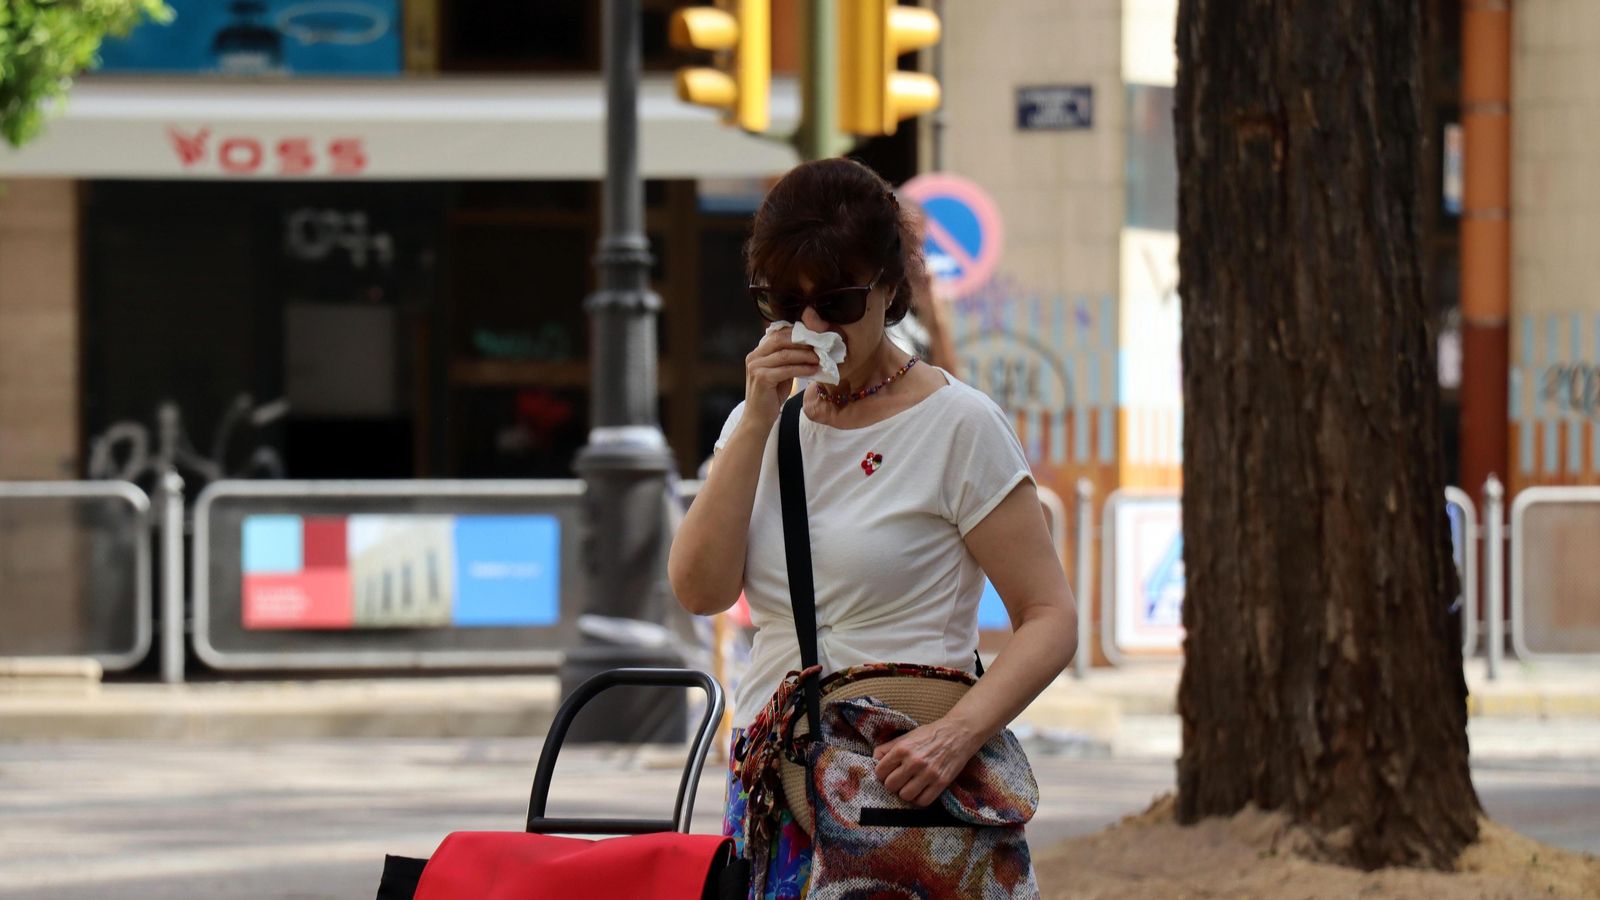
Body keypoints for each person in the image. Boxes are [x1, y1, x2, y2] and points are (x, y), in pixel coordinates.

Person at [668, 157, 1076, 899]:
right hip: (776, 786)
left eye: (838, 300)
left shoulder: (957, 424)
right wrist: (758, 415)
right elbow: (698, 587)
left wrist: (957, 736)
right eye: (784, 302)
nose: (812, 325)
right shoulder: (763, 423)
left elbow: (1049, 617)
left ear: (890, 290)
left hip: (906, 781)